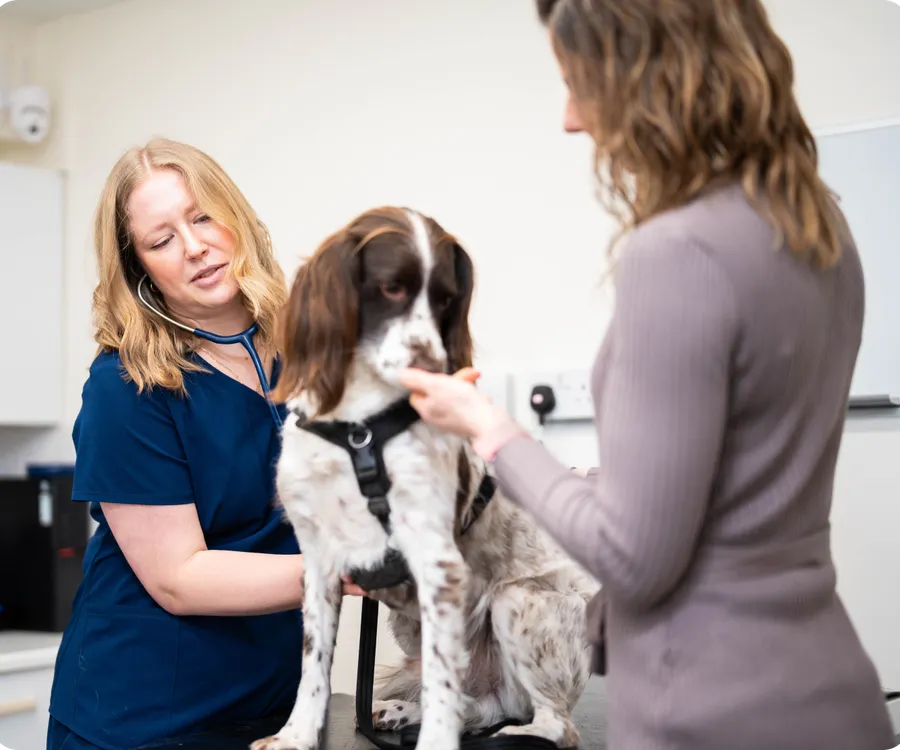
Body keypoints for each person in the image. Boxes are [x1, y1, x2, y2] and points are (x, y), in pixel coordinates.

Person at [397, 1, 896, 749]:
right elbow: (739, 482)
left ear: (649, 80)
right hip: (832, 693)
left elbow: (634, 559)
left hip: (713, 708)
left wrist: (490, 429)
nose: (570, 118)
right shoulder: (820, 225)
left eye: (577, 83)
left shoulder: (677, 252)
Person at [46, 137, 362, 750]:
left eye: (202, 217)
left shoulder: (309, 352)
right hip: (143, 715)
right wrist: (343, 569)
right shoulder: (127, 386)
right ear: (139, 268)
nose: (193, 248)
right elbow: (178, 578)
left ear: (235, 218)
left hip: (270, 705)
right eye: (161, 240)